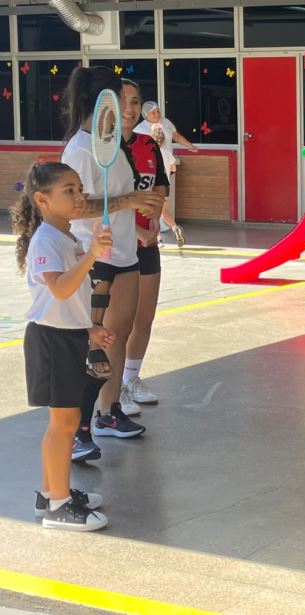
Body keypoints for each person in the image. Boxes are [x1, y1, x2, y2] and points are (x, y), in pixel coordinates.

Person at [61, 67, 163, 459]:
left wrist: (139, 221)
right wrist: (130, 203)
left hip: (126, 255)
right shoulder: (80, 149)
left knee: (116, 336)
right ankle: (78, 429)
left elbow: (117, 197)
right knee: (95, 346)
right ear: (99, 99)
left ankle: (109, 412)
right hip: (96, 259)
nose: (125, 107)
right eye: (117, 98)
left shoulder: (113, 144)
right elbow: (75, 207)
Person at [11, 162, 114, 531]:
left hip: (67, 336)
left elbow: (68, 301)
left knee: (64, 423)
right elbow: (58, 289)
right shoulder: (46, 241)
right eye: (68, 190)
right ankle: (59, 506)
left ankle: (50, 492)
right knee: (64, 424)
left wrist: (90, 329)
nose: (78, 196)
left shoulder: (65, 236)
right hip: (51, 341)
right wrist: (90, 255)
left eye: (79, 188)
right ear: (42, 199)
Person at [118, 80, 168, 417]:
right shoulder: (101, 149)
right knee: (118, 322)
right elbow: (101, 201)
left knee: (144, 318)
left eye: (135, 101)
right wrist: (134, 227)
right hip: (117, 247)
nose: (130, 107)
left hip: (147, 244)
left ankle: (131, 379)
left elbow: (161, 184)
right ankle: (111, 390)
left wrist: (154, 218)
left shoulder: (148, 144)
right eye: (123, 101)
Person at [134, 101, 197, 247]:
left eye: (158, 111)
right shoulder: (140, 131)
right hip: (163, 180)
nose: (158, 114)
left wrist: (190, 146)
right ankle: (172, 229)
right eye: (154, 112)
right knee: (160, 208)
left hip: (151, 180)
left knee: (153, 209)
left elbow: (177, 136)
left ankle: (160, 236)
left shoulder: (165, 125)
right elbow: (173, 167)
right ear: (146, 115)